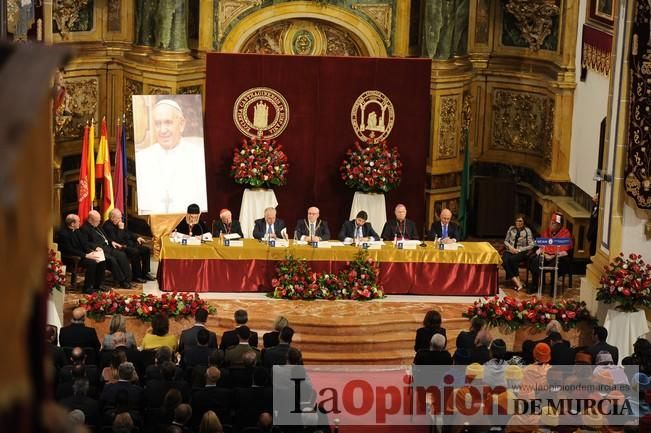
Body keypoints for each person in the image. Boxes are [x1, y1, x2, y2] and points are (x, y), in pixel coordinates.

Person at [135, 98, 207, 215]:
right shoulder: (142, 158)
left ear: (182, 124)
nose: (163, 130)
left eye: (168, 122)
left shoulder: (197, 157)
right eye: (158, 124)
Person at [81, 210, 133, 289]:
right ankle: (122, 281)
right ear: (91, 220)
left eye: (99, 220)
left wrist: (112, 242)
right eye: (97, 221)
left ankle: (128, 279)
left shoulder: (97, 226)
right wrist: (95, 247)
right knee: (112, 260)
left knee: (121, 255)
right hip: (99, 250)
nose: (99, 222)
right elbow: (85, 243)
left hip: (108, 247)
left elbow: (105, 237)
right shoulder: (84, 229)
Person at [56, 214, 106, 294]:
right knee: (92, 263)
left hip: (82, 255)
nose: (80, 223)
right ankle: (87, 287)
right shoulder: (63, 234)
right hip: (71, 258)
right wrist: (86, 255)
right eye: (78, 221)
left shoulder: (78, 231)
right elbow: (69, 250)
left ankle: (97, 285)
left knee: (100, 259)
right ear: (72, 224)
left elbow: (84, 244)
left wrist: (92, 251)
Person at [102, 208, 155, 283]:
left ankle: (145, 273)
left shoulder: (118, 223)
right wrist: (120, 229)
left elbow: (128, 232)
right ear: (112, 218)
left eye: (121, 217)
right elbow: (117, 241)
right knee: (135, 252)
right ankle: (137, 276)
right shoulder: (108, 226)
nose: (121, 219)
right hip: (119, 248)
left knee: (146, 250)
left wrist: (137, 237)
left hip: (128, 244)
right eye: (119, 218)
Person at [528, 212, 573, 292]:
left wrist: (553, 256)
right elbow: (541, 245)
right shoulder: (547, 232)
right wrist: (544, 254)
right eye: (551, 223)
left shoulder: (565, 233)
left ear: (559, 225)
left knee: (556, 265)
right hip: (546, 255)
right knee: (535, 261)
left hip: (558, 257)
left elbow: (564, 250)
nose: (551, 225)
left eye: (553, 223)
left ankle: (553, 288)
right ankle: (535, 285)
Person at [501, 214, 535, 291]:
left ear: (524, 222)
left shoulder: (527, 230)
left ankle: (518, 283)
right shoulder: (511, 229)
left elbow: (532, 245)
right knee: (504, 260)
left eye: (520, 221)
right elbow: (506, 241)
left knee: (513, 260)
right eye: (517, 221)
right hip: (510, 249)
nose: (518, 223)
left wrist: (519, 250)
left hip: (521, 251)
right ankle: (518, 282)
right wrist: (510, 247)